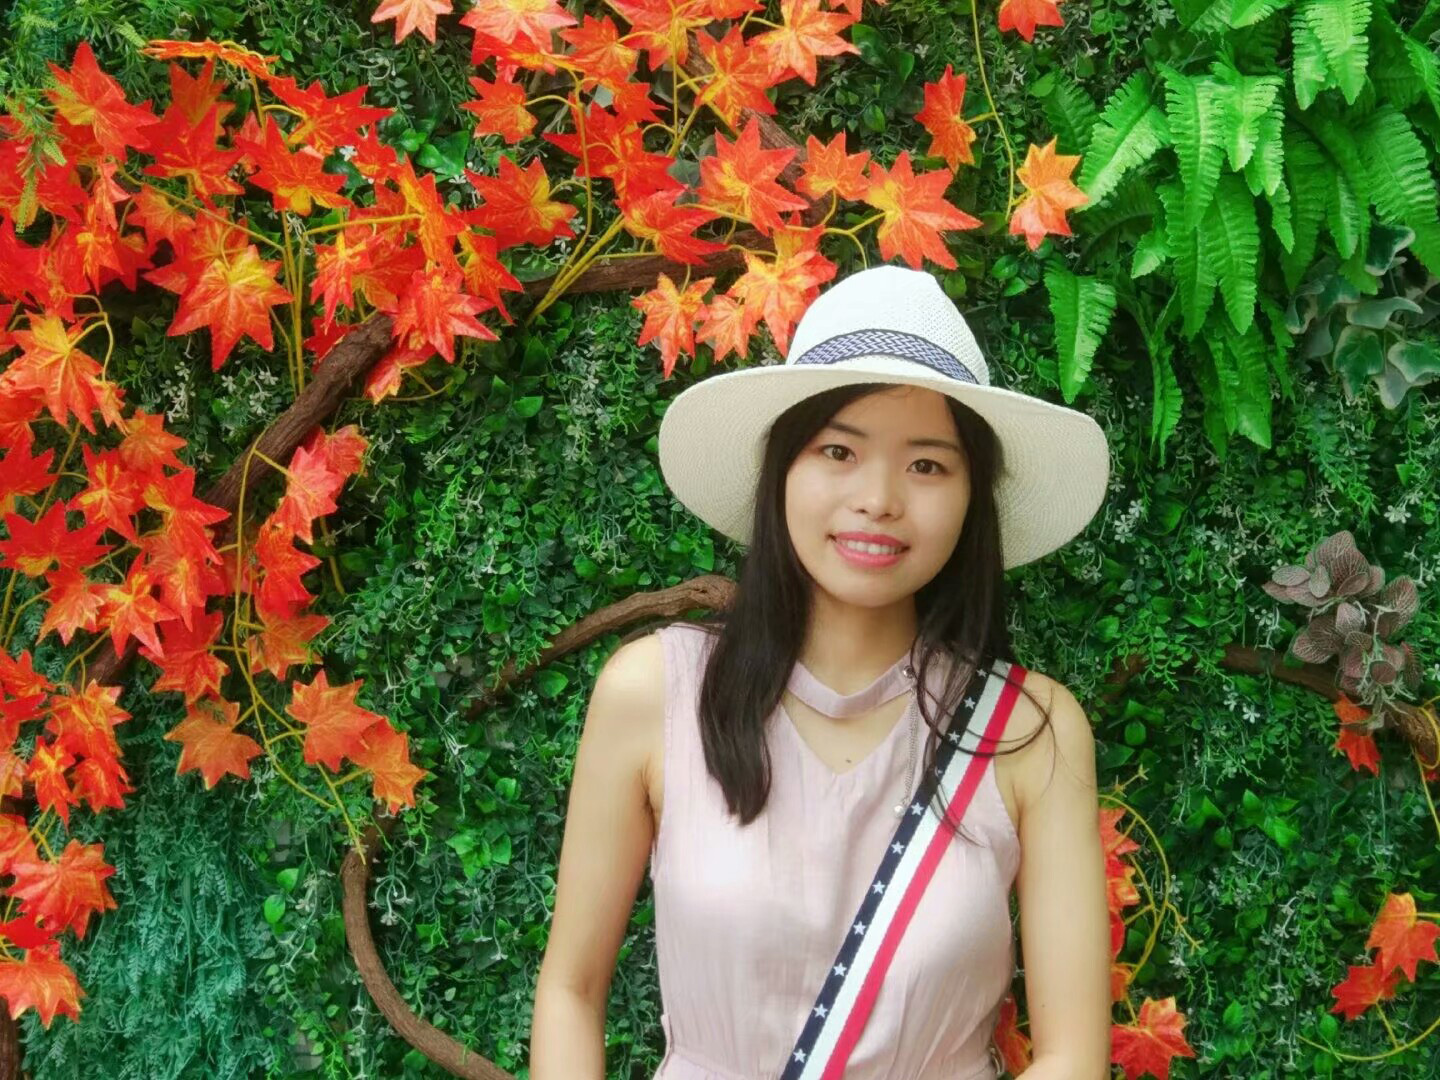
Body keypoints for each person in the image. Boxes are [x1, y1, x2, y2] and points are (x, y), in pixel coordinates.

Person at [531, 264, 1113, 1079]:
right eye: (838, 450)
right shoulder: (656, 692)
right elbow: (571, 988)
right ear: (782, 470)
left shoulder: (1025, 730)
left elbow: (1072, 1057)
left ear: (972, 497)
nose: (878, 498)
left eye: (927, 465)